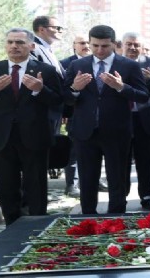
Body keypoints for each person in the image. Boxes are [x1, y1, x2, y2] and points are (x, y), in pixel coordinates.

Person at [0, 28, 62, 225]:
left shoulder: (46, 71)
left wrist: (40, 90)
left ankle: (37, 226)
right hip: (1, 137)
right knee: (6, 186)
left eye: (20, 42)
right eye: (10, 42)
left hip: (35, 136)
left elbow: (59, 101)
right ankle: (12, 227)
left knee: (36, 185)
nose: (14, 46)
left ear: (31, 46)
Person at [64, 25, 149, 214]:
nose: (99, 50)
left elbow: (143, 96)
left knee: (117, 178)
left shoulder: (129, 65)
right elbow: (65, 99)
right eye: (95, 46)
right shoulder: (77, 65)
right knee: (87, 178)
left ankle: (116, 219)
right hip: (85, 132)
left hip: (117, 131)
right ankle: (87, 218)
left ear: (114, 44)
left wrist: (121, 87)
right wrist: (75, 89)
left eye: (104, 46)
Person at [122, 32, 150, 212]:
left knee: (148, 161)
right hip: (121, 119)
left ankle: (148, 196)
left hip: (146, 119)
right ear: (122, 45)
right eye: (129, 44)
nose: (132, 48)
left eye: (136, 45)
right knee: (120, 160)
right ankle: (120, 197)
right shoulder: (116, 63)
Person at [31, 16, 66, 180]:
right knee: (35, 160)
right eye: (57, 28)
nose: (60, 31)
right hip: (41, 112)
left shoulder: (49, 50)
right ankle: (28, 201)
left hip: (54, 110)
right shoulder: (34, 48)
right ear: (42, 29)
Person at [59, 35, 92, 198]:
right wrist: (64, 112)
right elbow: (63, 90)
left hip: (94, 117)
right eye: (82, 43)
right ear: (74, 45)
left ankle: (94, 180)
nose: (86, 46)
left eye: (88, 43)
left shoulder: (96, 61)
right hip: (74, 114)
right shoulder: (66, 63)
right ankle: (72, 184)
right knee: (74, 152)